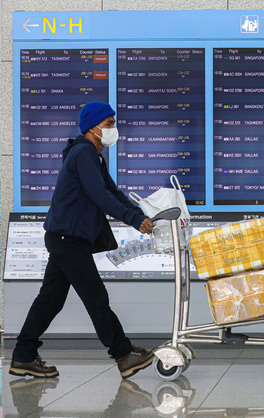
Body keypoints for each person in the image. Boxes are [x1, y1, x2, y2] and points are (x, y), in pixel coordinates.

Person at [9, 102, 156, 379]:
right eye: (109, 124)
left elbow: (112, 191)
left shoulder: (95, 156)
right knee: (95, 297)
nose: (114, 129)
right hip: (68, 239)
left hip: (65, 239)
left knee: (50, 301)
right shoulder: (83, 153)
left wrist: (140, 214)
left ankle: (23, 355)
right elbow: (99, 195)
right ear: (93, 127)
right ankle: (123, 354)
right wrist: (133, 220)